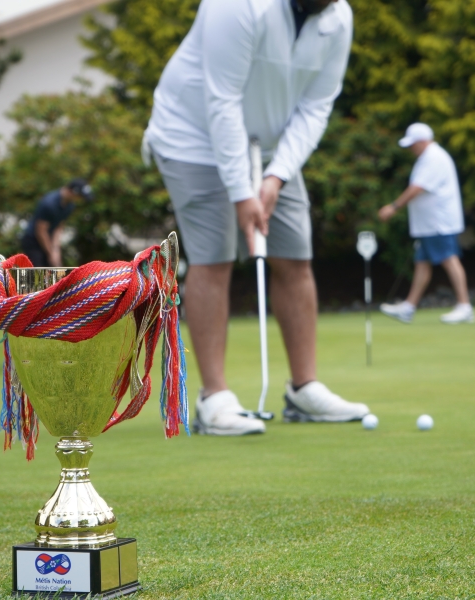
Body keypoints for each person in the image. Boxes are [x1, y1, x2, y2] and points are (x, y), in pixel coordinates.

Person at [143, 0, 370, 436]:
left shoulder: (338, 18)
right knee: (214, 258)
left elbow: (317, 105)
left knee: (294, 257)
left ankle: (304, 389)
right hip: (193, 136)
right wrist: (241, 192)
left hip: (268, 148)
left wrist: (276, 177)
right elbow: (222, 99)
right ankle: (215, 398)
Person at [377, 123, 475, 324]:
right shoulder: (427, 158)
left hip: (438, 222)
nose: (410, 148)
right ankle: (409, 307)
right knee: (422, 263)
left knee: (449, 258)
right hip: (428, 223)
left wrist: (393, 207)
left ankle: (464, 306)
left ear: (422, 141)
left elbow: (417, 188)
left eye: (412, 144)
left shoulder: (434, 158)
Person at [20, 178, 93, 268]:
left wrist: (56, 251)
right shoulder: (49, 204)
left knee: (52, 271)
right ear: (72, 192)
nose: (80, 199)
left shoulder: (70, 205)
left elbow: (58, 227)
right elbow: (41, 231)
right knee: (39, 274)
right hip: (33, 242)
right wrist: (51, 253)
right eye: (80, 196)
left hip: (48, 240)